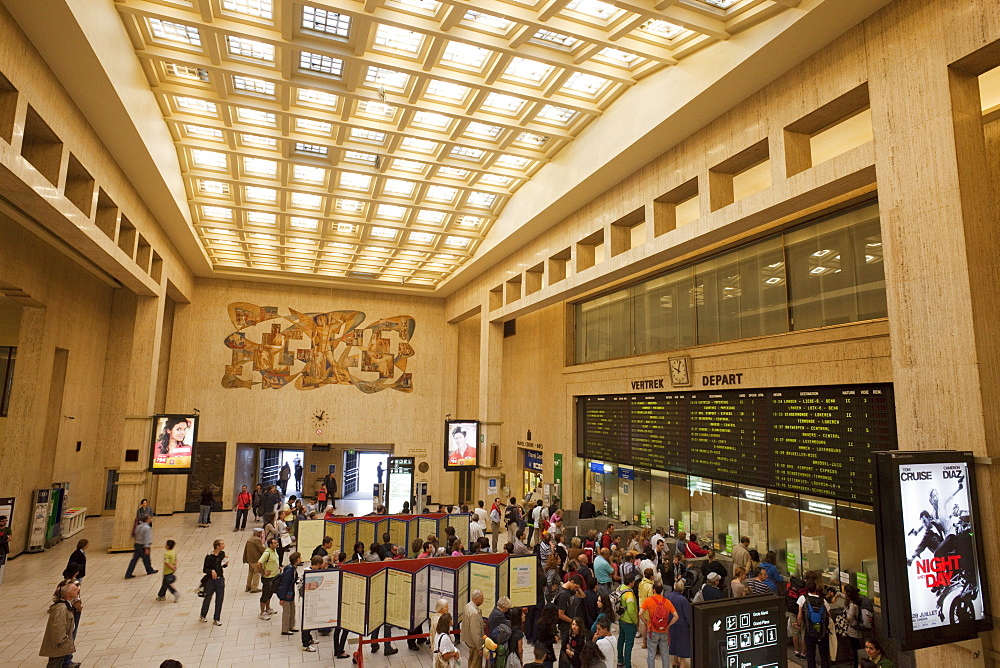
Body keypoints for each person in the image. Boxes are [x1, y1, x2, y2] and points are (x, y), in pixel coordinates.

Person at [40, 581, 78, 668]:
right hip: (58, 646)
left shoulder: (66, 605)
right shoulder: (61, 609)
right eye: (75, 589)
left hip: (60, 645)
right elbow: (58, 629)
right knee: (55, 664)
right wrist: (63, 642)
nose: (78, 590)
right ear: (68, 594)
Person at [641, 582, 678, 668]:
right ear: (662, 590)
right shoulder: (667, 602)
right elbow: (676, 616)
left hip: (652, 630)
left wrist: (647, 623)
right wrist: (668, 626)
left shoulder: (649, 600)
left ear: (653, 590)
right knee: (665, 655)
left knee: (651, 654)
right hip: (664, 630)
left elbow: (640, 613)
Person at [797, 581, 831, 668]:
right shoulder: (823, 600)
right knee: (824, 655)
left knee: (811, 655)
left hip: (809, 630)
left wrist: (798, 624)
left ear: (806, 589)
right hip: (822, 632)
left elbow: (800, 615)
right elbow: (829, 614)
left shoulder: (803, 598)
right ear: (816, 589)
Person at [199, 539, 227, 625]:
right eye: (222, 544)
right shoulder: (209, 557)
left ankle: (217, 618)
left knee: (219, 599)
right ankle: (203, 615)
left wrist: (225, 564)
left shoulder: (222, 554)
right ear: (217, 546)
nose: (224, 545)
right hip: (211, 580)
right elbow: (205, 569)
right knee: (208, 597)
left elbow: (222, 565)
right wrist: (211, 571)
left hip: (220, 579)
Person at [666, 581, 693, 668]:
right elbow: (687, 615)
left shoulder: (668, 596)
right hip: (682, 625)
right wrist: (690, 624)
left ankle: (675, 661)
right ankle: (682, 664)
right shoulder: (683, 600)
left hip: (671, 623)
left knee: (673, 642)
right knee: (682, 645)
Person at [615, 572, 639, 668]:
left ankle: (620, 660)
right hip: (629, 621)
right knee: (629, 644)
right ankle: (627, 665)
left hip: (621, 619)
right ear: (631, 582)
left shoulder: (620, 588)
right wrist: (635, 621)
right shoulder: (629, 594)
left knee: (621, 640)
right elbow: (631, 610)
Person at [277, 551, 302, 635]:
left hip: (291, 594)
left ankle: (291, 626)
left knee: (292, 610)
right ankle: (285, 629)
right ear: (296, 559)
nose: (301, 559)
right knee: (286, 612)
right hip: (287, 594)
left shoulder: (293, 569)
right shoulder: (289, 570)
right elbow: (284, 584)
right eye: (300, 558)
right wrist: (281, 597)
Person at [125, 515, 157, 579]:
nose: (150, 520)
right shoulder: (147, 528)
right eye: (149, 519)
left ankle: (128, 573)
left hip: (137, 544)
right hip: (143, 545)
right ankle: (149, 570)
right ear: (146, 520)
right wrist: (146, 547)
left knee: (134, 560)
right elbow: (146, 538)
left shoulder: (138, 526)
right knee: (146, 559)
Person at [258, 536, 281, 620]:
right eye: (275, 543)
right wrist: (263, 572)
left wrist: (279, 567)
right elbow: (259, 563)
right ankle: (262, 612)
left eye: (277, 543)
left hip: (274, 576)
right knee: (265, 594)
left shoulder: (274, 551)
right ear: (270, 544)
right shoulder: (267, 553)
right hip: (268, 578)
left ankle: (268, 608)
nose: (277, 544)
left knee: (270, 593)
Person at [462, 589, 485, 668]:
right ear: (476, 599)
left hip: (469, 641)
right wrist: (479, 648)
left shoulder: (468, 606)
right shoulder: (474, 613)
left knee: (471, 661)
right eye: (482, 598)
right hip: (475, 644)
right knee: (476, 664)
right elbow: (475, 632)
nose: (483, 600)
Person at [843, 584, 864, 668]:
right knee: (856, 648)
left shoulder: (852, 605)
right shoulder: (857, 601)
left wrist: (844, 615)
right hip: (856, 628)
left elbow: (849, 618)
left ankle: (857, 665)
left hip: (853, 629)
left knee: (855, 649)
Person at [243, 528, 265, 592]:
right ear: (257, 533)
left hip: (250, 558)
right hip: (255, 559)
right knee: (257, 572)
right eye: (260, 533)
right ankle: (254, 587)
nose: (261, 534)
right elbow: (261, 549)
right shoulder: (257, 540)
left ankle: (248, 586)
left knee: (250, 572)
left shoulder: (251, 538)